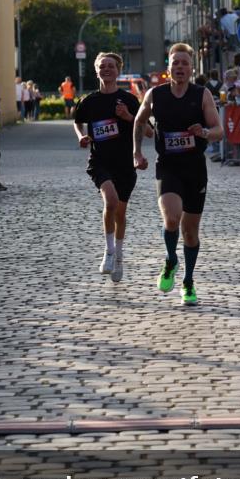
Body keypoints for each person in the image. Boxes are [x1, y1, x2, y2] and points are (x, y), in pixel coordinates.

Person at [134, 43, 223, 306]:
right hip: (168, 165)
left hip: (195, 168)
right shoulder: (155, 94)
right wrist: (136, 153)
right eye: (176, 63)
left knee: (191, 233)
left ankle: (188, 281)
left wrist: (204, 133)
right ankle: (170, 259)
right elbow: (139, 121)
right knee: (172, 218)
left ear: (192, 68)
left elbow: (218, 130)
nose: (180, 67)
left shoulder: (202, 94)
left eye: (185, 63)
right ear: (168, 68)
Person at [74, 52, 142, 282]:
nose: (106, 69)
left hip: (124, 163)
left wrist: (127, 117)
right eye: (102, 66)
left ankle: (119, 256)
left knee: (120, 213)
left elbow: (150, 131)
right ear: (96, 70)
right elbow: (78, 121)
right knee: (110, 202)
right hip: (100, 161)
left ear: (118, 70)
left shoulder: (129, 100)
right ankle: (109, 251)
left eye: (111, 66)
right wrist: (81, 136)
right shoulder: (89, 101)